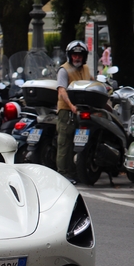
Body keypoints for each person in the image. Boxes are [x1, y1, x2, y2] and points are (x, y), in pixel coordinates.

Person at [56, 40, 93, 183]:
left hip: (83, 110)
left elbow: (91, 82)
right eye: (74, 55)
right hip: (67, 112)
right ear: (69, 56)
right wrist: (71, 105)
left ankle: (73, 172)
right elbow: (61, 90)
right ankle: (63, 173)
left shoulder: (85, 69)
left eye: (79, 55)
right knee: (64, 142)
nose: (77, 58)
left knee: (75, 143)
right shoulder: (63, 70)